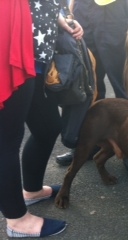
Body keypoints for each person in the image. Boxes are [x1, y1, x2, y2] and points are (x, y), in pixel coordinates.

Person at [0, 0, 83, 238]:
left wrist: (63, 21)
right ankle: (16, 220)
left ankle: (32, 191)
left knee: (48, 127)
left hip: (36, 55)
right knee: (6, 141)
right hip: (11, 49)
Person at [56, 0, 128, 166]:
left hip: (114, 10)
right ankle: (87, 144)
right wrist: (71, 11)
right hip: (83, 9)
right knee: (86, 83)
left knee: (122, 85)